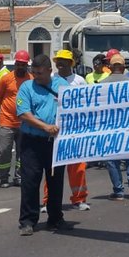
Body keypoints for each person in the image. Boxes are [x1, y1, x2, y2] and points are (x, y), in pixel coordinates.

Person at [16, 54, 72, 235]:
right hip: (32, 142)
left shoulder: (62, 86)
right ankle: (27, 221)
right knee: (30, 181)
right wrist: (45, 127)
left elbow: (74, 108)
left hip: (55, 143)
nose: (36, 76)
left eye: (40, 73)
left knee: (55, 182)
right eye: (34, 73)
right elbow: (24, 114)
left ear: (50, 71)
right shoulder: (26, 87)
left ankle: (55, 218)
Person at [45, 49, 90, 211]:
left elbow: (88, 104)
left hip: (75, 130)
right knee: (51, 168)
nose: (60, 64)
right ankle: (47, 200)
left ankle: (79, 199)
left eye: (64, 61)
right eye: (58, 61)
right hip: (55, 130)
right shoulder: (51, 80)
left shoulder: (80, 81)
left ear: (71, 63)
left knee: (77, 167)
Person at [99, 54, 129, 200]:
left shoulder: (102, 84)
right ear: (124, 67)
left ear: (110, 67)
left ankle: (118, 191)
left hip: (109, 127)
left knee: (112, 159)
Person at [0, 50, 32, 188]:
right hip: (7, 121)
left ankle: (19, 176)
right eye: (18, 64)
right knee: (3, 151)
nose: (21, 66)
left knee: (23, 153)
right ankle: (3, 177)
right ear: (15, 64)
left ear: (27, 65)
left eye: (23, 64)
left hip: (25, 123)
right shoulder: (6, 79)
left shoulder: (31, 80)